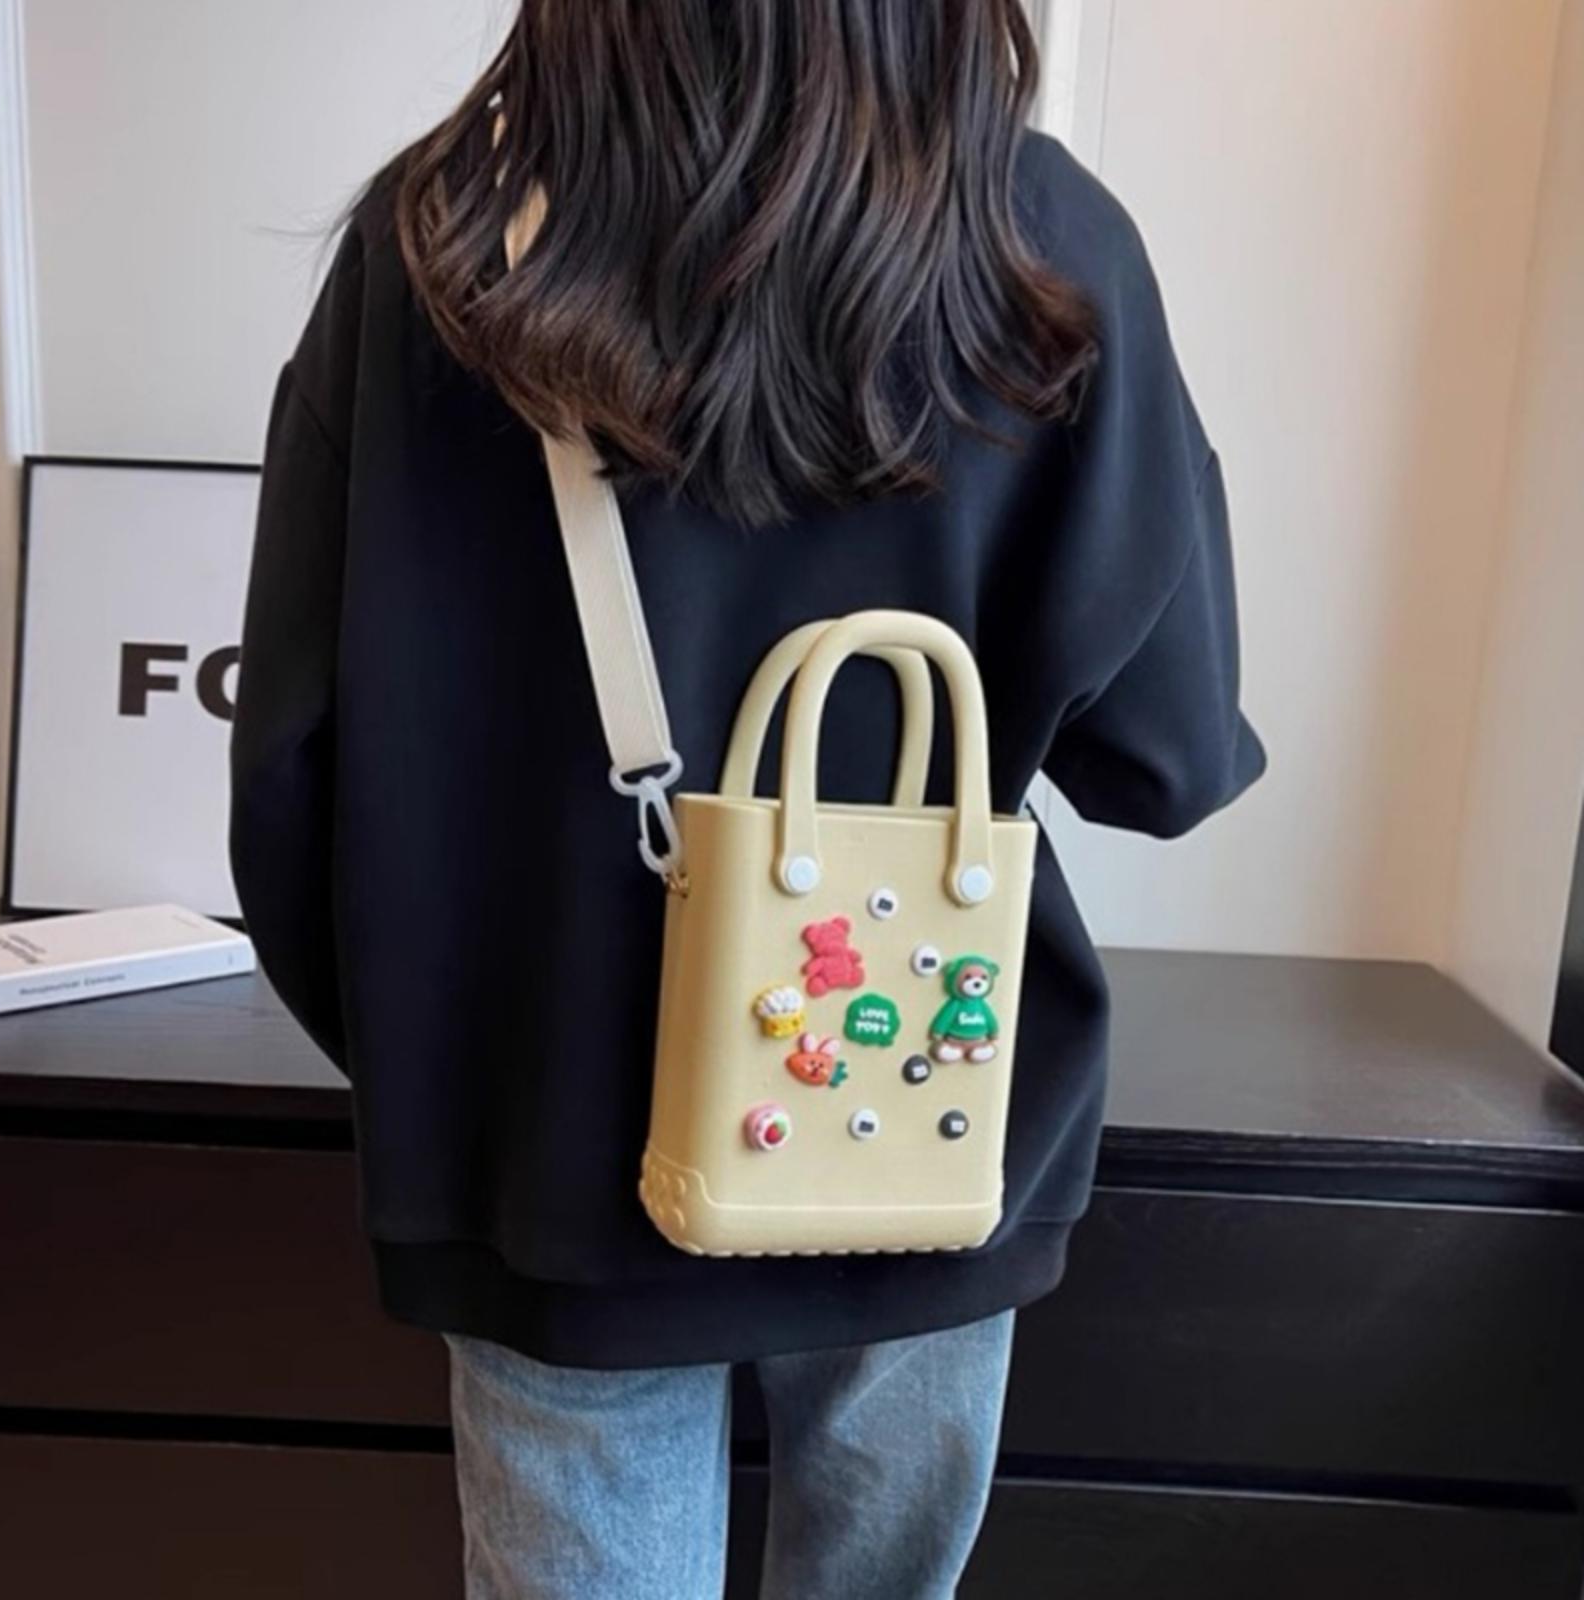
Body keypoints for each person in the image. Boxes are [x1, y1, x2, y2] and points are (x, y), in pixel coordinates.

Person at [228, 3, 1266, 1595]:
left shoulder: (440, 243)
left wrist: (448, 1067)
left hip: (543, 1142)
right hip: (911, 1094)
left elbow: (294, 774)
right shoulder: (1044, 241)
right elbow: (1166, 760)